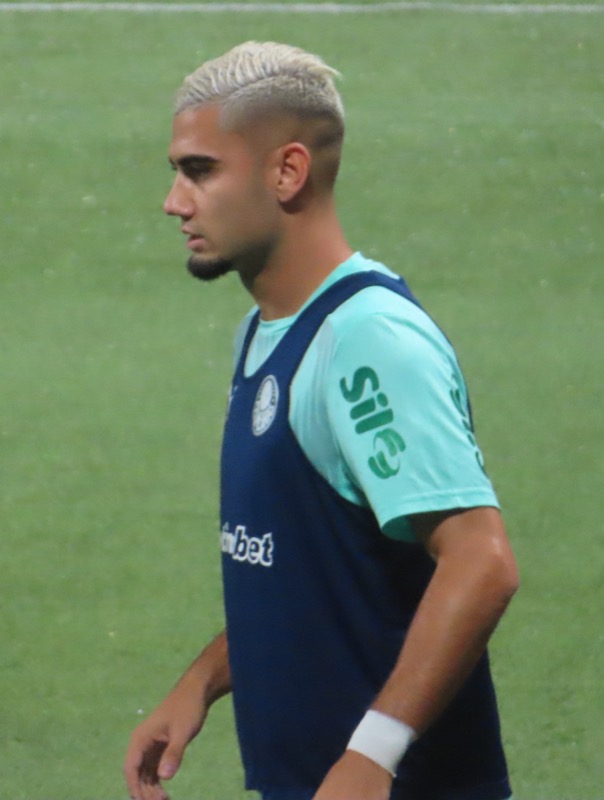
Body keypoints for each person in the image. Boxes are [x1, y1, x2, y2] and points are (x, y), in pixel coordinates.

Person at [124, 41, 519, 800]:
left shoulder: (366, 340)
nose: (175, 201)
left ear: (287, 172)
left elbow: (482, 561)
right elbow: (317, 576)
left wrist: (373, 754)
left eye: (200, 170)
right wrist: (202, 683)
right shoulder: (267, 333)